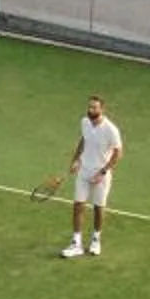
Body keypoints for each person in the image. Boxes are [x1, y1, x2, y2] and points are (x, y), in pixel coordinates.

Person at [60, 94, 123, 258]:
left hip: (101, 174)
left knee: (98, 208)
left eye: (94, 107)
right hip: (84, 171)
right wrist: (76, 160)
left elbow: (118, 153)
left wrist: (103, 172)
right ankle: (76, 243)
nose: (90, 110)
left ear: (102, 109)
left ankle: (96, 240)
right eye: (89, 107)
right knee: (77, 206)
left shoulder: (111, 130)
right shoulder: (85, 122)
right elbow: (84, 140)